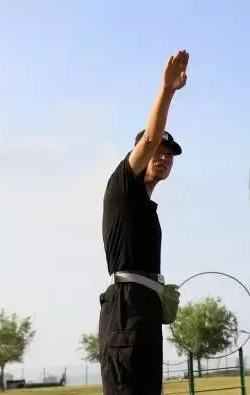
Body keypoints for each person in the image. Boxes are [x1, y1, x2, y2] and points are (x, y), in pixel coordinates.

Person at [98, 49, 189, 395]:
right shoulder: (121, 185)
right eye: (156, 153)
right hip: (125, 313)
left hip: (143, 310)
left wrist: (157, 291)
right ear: (138, 156)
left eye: (169, 156)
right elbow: (151, 137)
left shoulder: (148, 209)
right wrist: (167, 90)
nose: (162, 158)